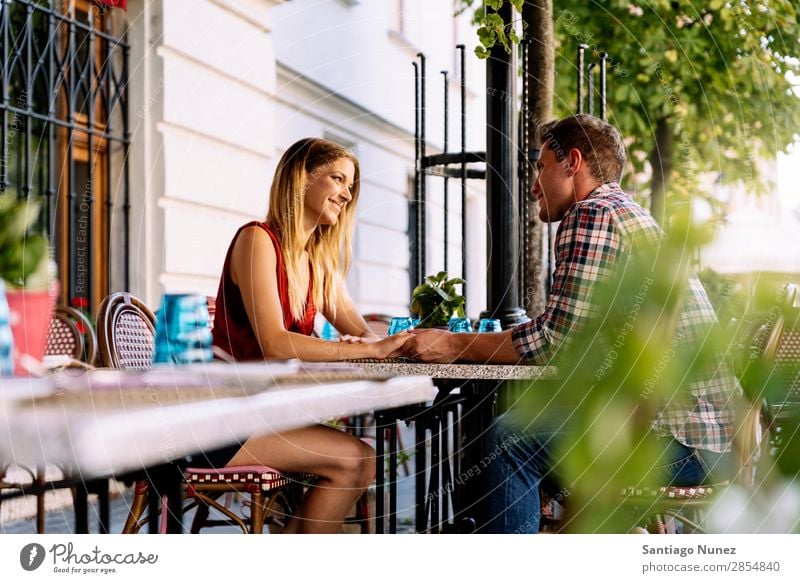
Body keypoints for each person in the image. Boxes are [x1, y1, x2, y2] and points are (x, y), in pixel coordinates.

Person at [403, 114, 740, 533]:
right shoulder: (628, 214)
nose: (532, 186)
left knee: (510, 439)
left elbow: (551, 341)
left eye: (540, 168)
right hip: (713, 440)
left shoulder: (593, 214)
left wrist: (451, 344)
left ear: (572, 162)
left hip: (681, 444)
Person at [211, 137, 410, 533]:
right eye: (338, 179)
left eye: (350, 186)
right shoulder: (257, 241)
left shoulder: (315, 259)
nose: (347, 194)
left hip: (267, 412)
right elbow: (275, 342)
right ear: (301, 178)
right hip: (223, 420)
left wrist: (407, 339)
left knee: (361, 460)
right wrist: (368, 349)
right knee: (355, 460)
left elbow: (360, 329)